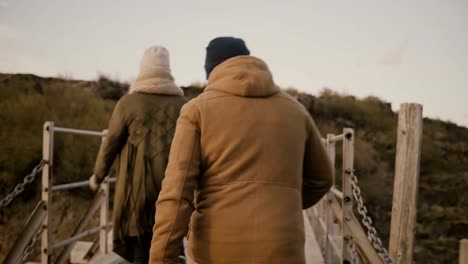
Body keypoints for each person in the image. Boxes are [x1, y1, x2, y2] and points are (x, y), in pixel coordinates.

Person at [149, 37, 333, 264]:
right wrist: (282, 207)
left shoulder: (197, 110)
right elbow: (323, 179)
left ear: (210, 70)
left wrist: (160, 259)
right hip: (283, 249)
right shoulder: (296, 111)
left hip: (215, 251)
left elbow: (176, 194)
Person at [89, 46, 187, 263]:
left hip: (138, 193)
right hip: (174, 190)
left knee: (142, 250)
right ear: (168, 69)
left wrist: (98, 176)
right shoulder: (185, 106)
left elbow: (110, 145)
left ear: (143, 69)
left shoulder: (128, 104)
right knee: (171, 245)